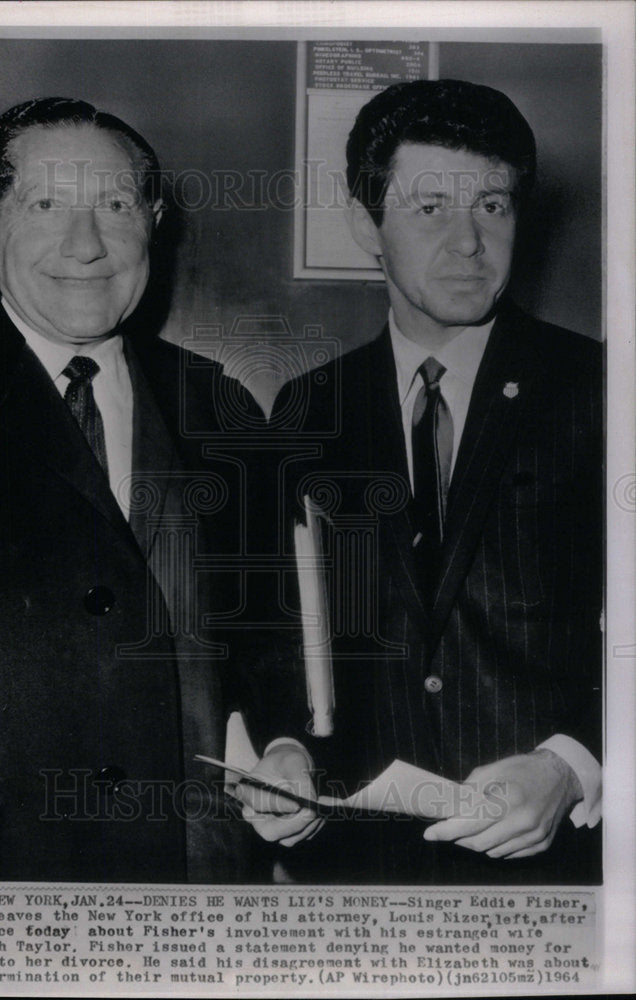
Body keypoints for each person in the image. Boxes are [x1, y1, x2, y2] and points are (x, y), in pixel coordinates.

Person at [236, 79, 602, 883]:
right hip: (358, 873)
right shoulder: (309, 408)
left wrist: (575, 762)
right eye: (430, 207)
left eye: (495, 207)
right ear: (367, 223)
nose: (471, 243)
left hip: (563, 875)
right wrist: (288, 747)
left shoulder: (604, 391)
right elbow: (279, 634)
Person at [0, 97, 256, 883]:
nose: (86, 244)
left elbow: (259, 649)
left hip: (196, 889)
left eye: (114, 205)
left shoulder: (221, 407)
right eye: (45, 205)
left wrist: (278, 746)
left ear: (154, 223)